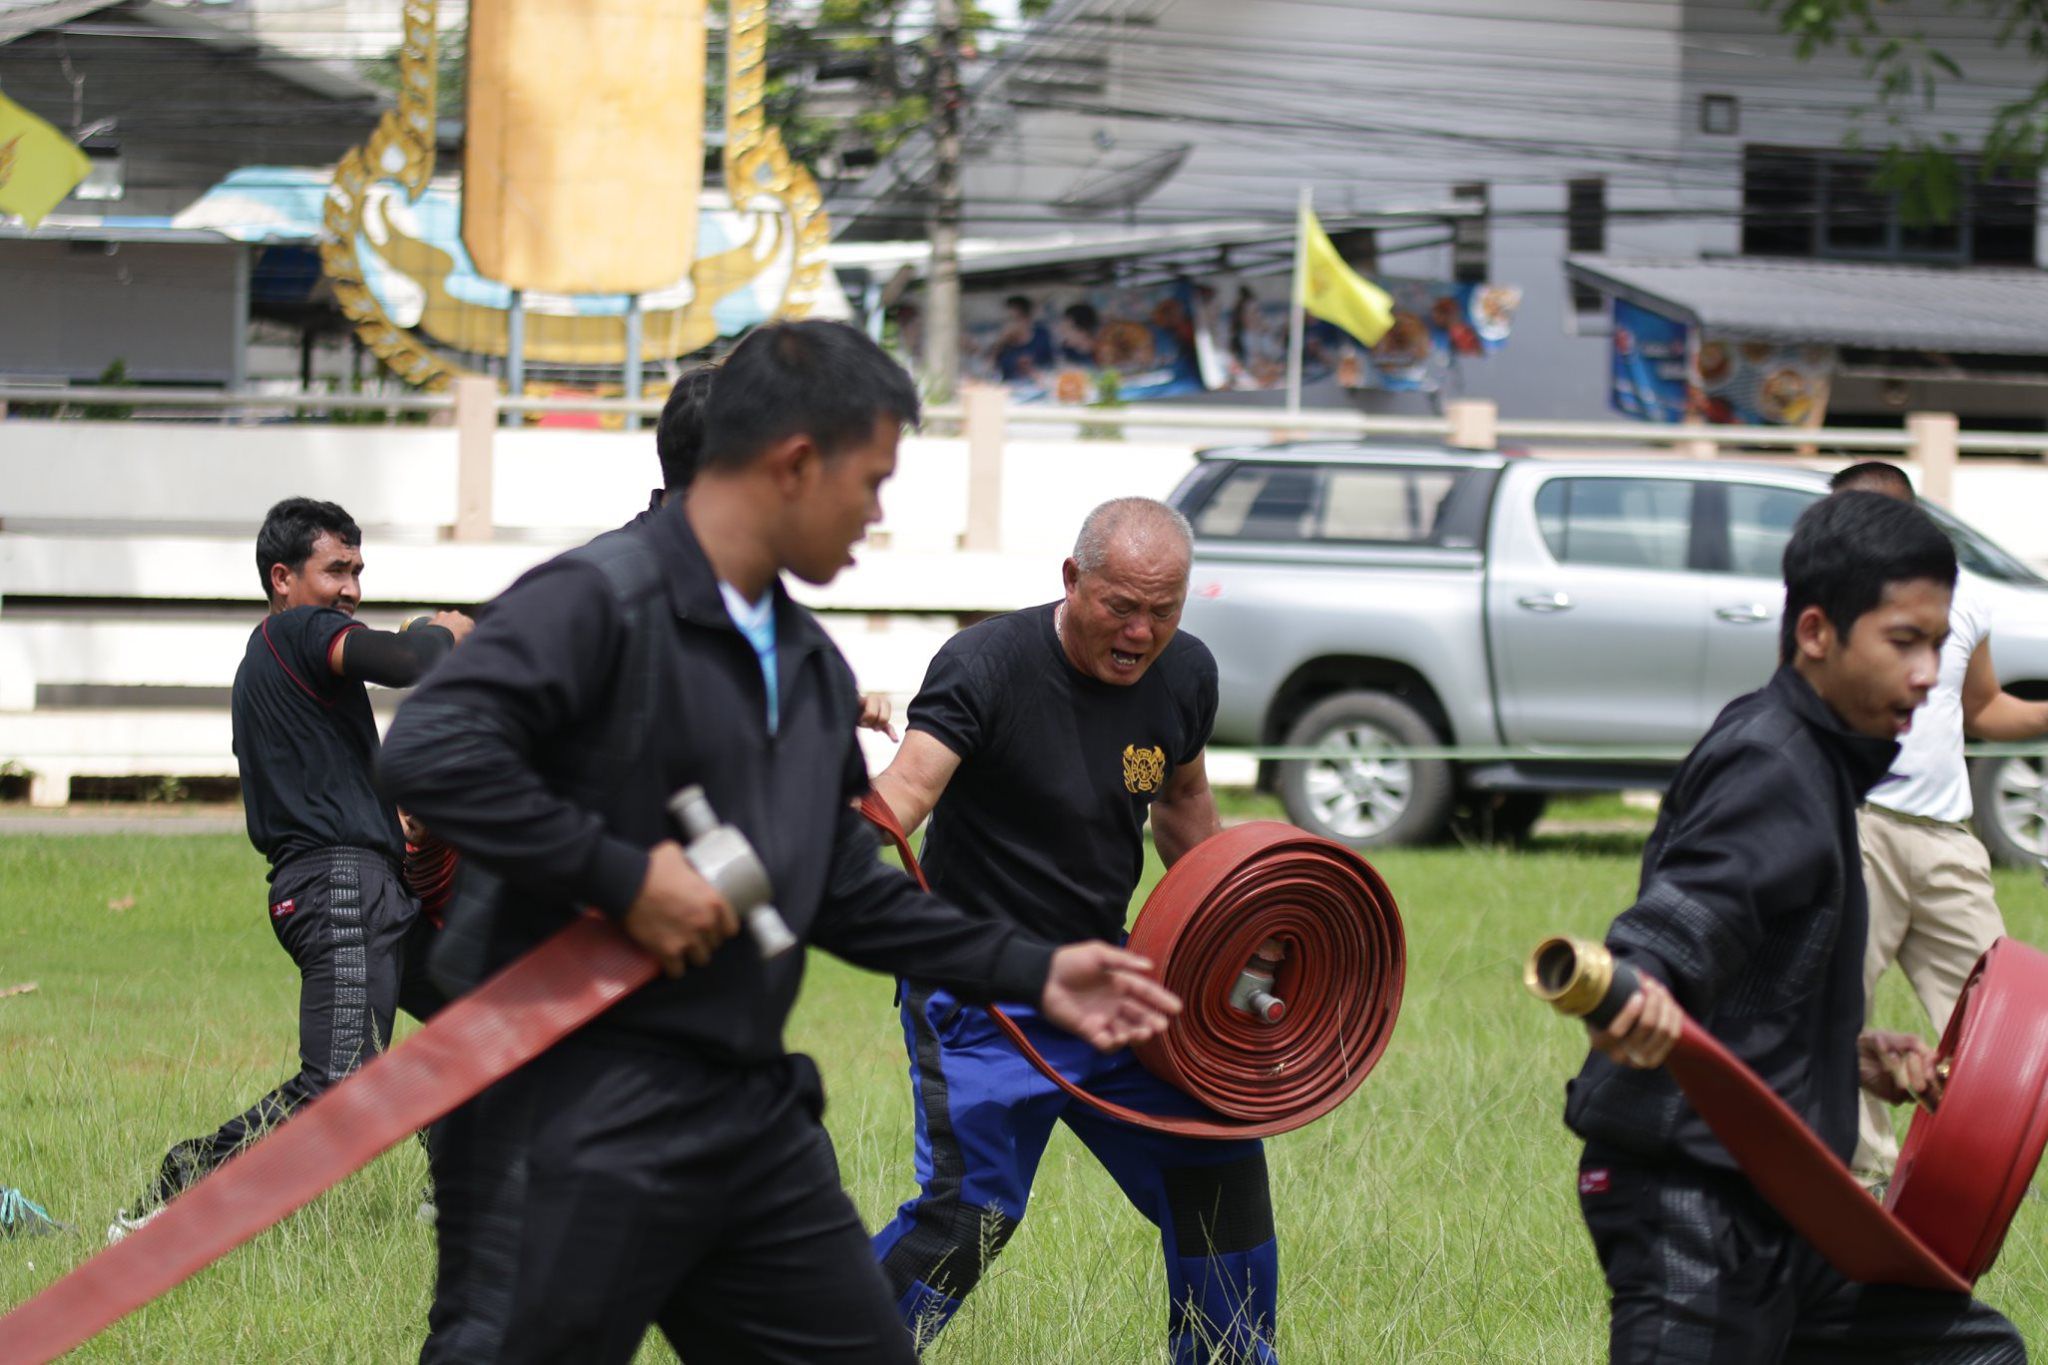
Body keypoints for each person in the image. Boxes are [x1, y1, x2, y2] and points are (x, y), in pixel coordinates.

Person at [376, 320, 1179, 1365]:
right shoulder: (596, 600)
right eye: (871, 481)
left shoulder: (802, 663)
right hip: (560, 1103)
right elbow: (431, 751)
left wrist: (1036, 967)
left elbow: (838, 886)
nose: (877, 513)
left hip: (741, 1112)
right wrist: (625, 877)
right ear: (796, 464)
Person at [1567, 491, 2023, 1363]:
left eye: (1937, 644)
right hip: (1693, 1199)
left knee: (1970, 1351)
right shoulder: (1772, 762)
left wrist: (1841, 1055)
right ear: (1816, 631)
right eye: (1904, 641)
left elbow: (1751, 981)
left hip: (1789, 1200)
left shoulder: (1819, 760)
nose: (1929, 674)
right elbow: (1681, 919)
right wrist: (1636, 985)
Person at [865, 497, 1279, 1364]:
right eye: (1120, 607)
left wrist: (1237, 928)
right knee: (969, 1217)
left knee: (1217, 1159)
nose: (1140, 632)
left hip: (1105, 981)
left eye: (1162, 611)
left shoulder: (1184, 672)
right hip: (979, 991)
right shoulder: (986, 663)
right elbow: (907, 790)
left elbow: (1184, 803)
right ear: (1072, 580)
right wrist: (802, 842)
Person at [108, 498, 472, 1240]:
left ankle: (461, 1188)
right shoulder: (298, 631)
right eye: (336, 569)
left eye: (358, 571)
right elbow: (410, 663)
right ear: (282, 577)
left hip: (365, 885)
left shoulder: (267, 662)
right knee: (342, 1082)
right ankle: (174, 1198)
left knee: (479, 1017)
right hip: (341, 886)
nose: (351, 589)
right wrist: (441, 630)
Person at [1827, 460, 2048, 1183]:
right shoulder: (1825, 609)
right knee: (1843, 1006)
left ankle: (1981, 1174)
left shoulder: (1964, 602)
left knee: (2005, 1021)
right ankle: (1866, 1181)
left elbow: (1982, 707)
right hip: (1859, 827)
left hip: (1948, 840)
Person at [991, 295, 1054, 383]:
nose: (1011, 325)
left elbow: (1053, 364)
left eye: (1015, 319)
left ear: (1028, 318)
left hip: (1040, 384)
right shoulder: (1003, 345)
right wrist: (1000, 343)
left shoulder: (1042, 336)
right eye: (1008, 320)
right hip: (1009, 386)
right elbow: (989, 369)